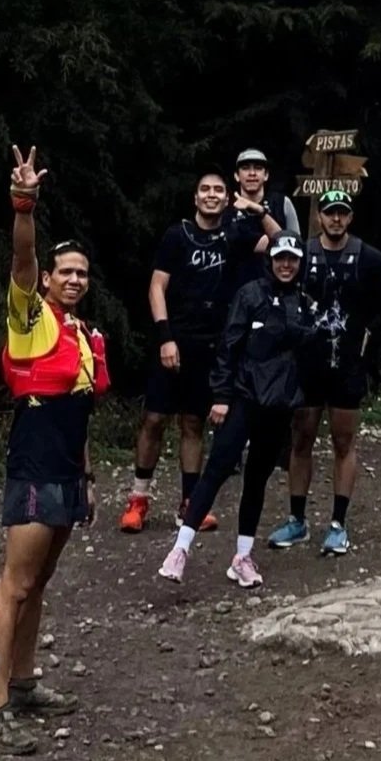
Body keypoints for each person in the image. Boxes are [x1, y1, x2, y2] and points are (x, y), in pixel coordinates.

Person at [0, 143, 108, 754]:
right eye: (67, 273)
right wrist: (24, 204)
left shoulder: (86, 336)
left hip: (66, 466)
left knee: (41, 582)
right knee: (16, 582)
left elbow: (80, 412)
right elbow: (22, 255)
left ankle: (24, 683)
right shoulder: (31, 316)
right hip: (32, 461)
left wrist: (86, 474)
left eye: (83, 273)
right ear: (50, 281)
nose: (75, 280)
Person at [158, 229, 314, 587]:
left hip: (280, 405)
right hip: (244, 398)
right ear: (270, 260)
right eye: (280, 258)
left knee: (257, 480)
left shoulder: (306, 302)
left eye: (292, 259)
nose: (286, 265)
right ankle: (180, 549)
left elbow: (308, 357)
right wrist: (221, 396)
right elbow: (229, 346)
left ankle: (242, 556)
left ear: (300, 263)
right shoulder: (250, 295)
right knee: (216, 470)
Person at [269, 185, 381, 555]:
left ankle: (338, 523)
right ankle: (297, 520)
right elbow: (277, 284)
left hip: (347, 364)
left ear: (349, 217)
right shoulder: (306, 253)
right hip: (309, 363)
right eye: (329, 212)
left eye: (341, 212)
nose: (335, 218)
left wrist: (372, 332)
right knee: (301, 440)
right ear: (319, 216)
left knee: (344, 442)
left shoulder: (365, 255)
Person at [119, 173, 237, 533]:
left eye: (218, 190)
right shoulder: (177, 235)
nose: (211, 195)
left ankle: (190, 504)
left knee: (193, 423)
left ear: (227, 198)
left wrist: (255, 207)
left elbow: (280, 241)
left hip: (211, 344)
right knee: (154, 419)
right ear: (195, 197)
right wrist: (165, 336)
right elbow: (157, 285)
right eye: (205, 189)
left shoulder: (233, 235)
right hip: (174, 340)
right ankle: (138, 499)